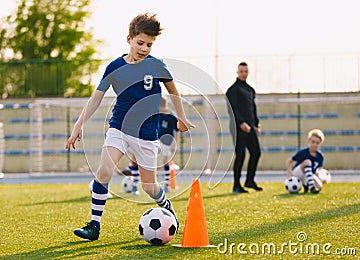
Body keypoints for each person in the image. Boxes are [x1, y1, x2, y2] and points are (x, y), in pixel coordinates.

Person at [65, 13, 194, 241]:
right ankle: (94, 226)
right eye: (141, 43)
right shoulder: (114, 67)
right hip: (119, 128)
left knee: (150, 187)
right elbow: (96, 98)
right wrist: (78, 125)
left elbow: (173, 91)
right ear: (129, 39)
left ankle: (167, 207)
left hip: (147, 135)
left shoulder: (156, 65)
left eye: (149, 45)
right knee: (104, 172)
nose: (144, 48)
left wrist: (181, 118)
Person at [226, 62, 262, 193]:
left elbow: (253, 109)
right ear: (237, 72)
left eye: (246, 71)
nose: (244, 73)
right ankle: (236, 185)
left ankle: (249, 181)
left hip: (251, 127)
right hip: (238, 127)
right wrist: (241, 123)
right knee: (240, 155)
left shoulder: (250, 90)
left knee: (256, 152)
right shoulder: (232, 90)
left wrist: (256, 125)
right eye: (241, 71)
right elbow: (233, 110)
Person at [285, 129, 325, 194]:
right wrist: (290, 174)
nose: (315, 144)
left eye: (317, 143)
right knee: (307, 162)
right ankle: (311, 187)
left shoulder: (320, 156)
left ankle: (306, 185)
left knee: (319, 187)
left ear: (320, 144)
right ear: (308, 141)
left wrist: (323, 178)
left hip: (309, 175)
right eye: (313, 142)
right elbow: (289, 161)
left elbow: (320, 169)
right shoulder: (303, 152)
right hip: (298, 173)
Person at [158, 96, 179, 192]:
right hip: (158, 140)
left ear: (164, 106)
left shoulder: (172, 117)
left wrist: (175, 144)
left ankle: (167, 184)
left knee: (165, 161)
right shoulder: (158, 115)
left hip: (167, 141)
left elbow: (177, 131)